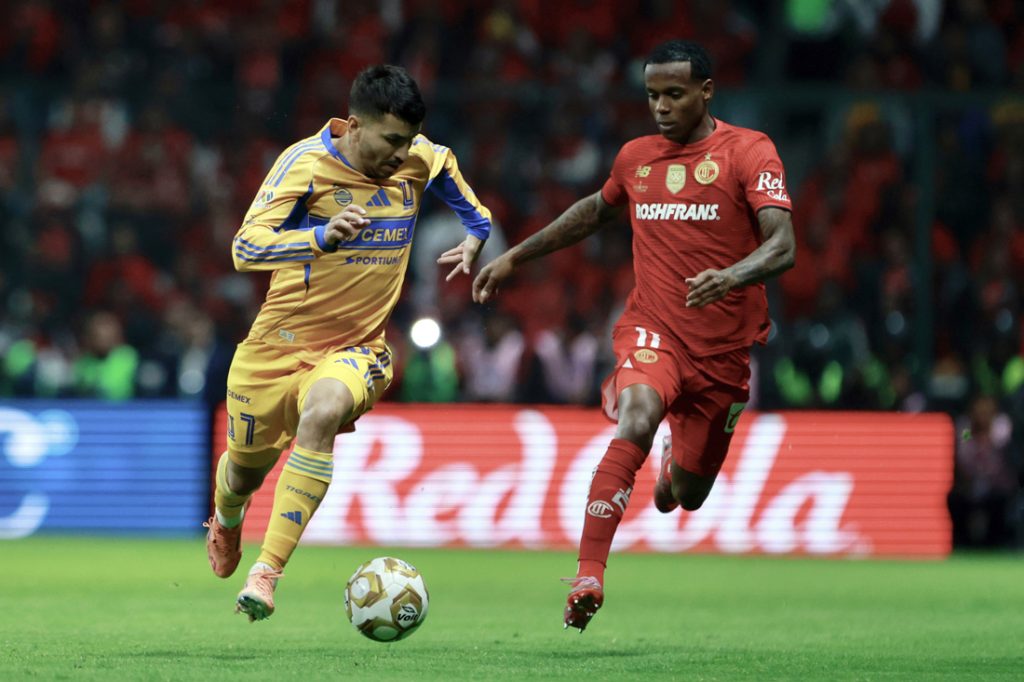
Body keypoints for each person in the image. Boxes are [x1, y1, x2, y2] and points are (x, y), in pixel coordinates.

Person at [473, 39, 795, 632]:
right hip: (654, 330)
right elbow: (593, 212)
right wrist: (515, 256)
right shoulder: (636, 158)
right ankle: (588, 574)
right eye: (652, 96)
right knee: (638, 417)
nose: (661, 107)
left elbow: (783, 244)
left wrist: (731, 275)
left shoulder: (749, 151)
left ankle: (673, 470)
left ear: (706, 92)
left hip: (723, 354)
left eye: (674, 94)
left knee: (687, 496)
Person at [205, 64, 490, 622]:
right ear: (354, 125)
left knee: (324, 410)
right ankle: (228, 517)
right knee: (242, 472)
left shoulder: (419, 157)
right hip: (274, 350)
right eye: (391, 140)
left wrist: (476, 233)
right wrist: (319, 237)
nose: (401, 154)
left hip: (357, 349)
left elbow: (458, 184)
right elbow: (245, 248)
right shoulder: (305, 164)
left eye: (408, 141)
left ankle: (266, 573)